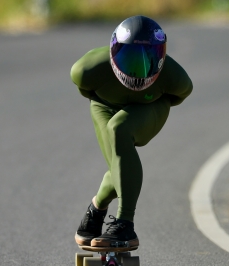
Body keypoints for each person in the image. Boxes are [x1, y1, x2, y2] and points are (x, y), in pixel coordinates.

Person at [70, 15, 193, 249]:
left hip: (149, 107)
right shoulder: (86, 70)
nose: (139, 70)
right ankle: (97, 208)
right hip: (104, 105)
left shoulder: (175, 77)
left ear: (162, 57)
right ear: (112, 51)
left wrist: (144, 109)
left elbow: (178, 97)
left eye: (149, 59)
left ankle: (125, 224)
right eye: (130, 59)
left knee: (119, 128)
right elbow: (87, 91)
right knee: (118, 165)